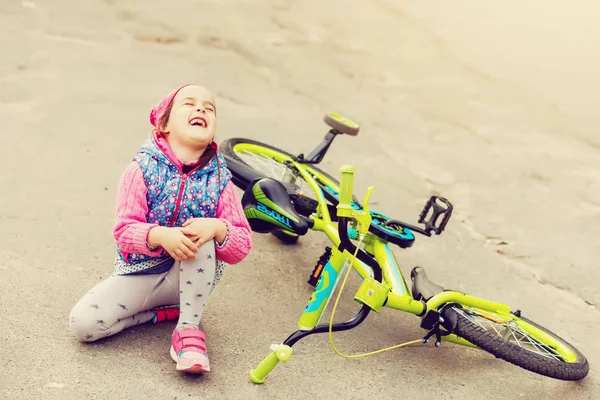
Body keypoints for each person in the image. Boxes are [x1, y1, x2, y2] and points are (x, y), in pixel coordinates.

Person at [69, 84, 252, 374]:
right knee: (84, 325)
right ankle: (159, 314)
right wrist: (160, 235)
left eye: (209, 107)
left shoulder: (220, 180)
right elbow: (124, 230)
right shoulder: (142, 168)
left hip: (190, 280)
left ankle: (188, 330)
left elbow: (242, 242)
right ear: (163, 123)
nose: (201, 109)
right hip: (142, 274)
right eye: (189, 104)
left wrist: (218, 228)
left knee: (202, 231)